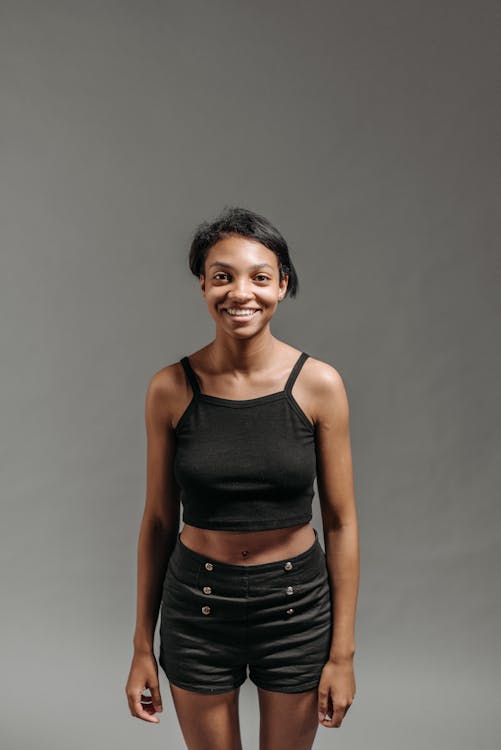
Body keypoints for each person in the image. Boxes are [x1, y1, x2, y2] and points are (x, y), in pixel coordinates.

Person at [125, 206, 359, 749]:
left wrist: (342, 654)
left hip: (297, 606)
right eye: (222, 276)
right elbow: (159, 522)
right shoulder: (170, 388)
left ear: (282, 284)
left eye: (259, 277)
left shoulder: (319, 385)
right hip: (197, 606)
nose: (241, 293)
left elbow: (341, 523)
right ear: (202, 284)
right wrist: (141, 646)